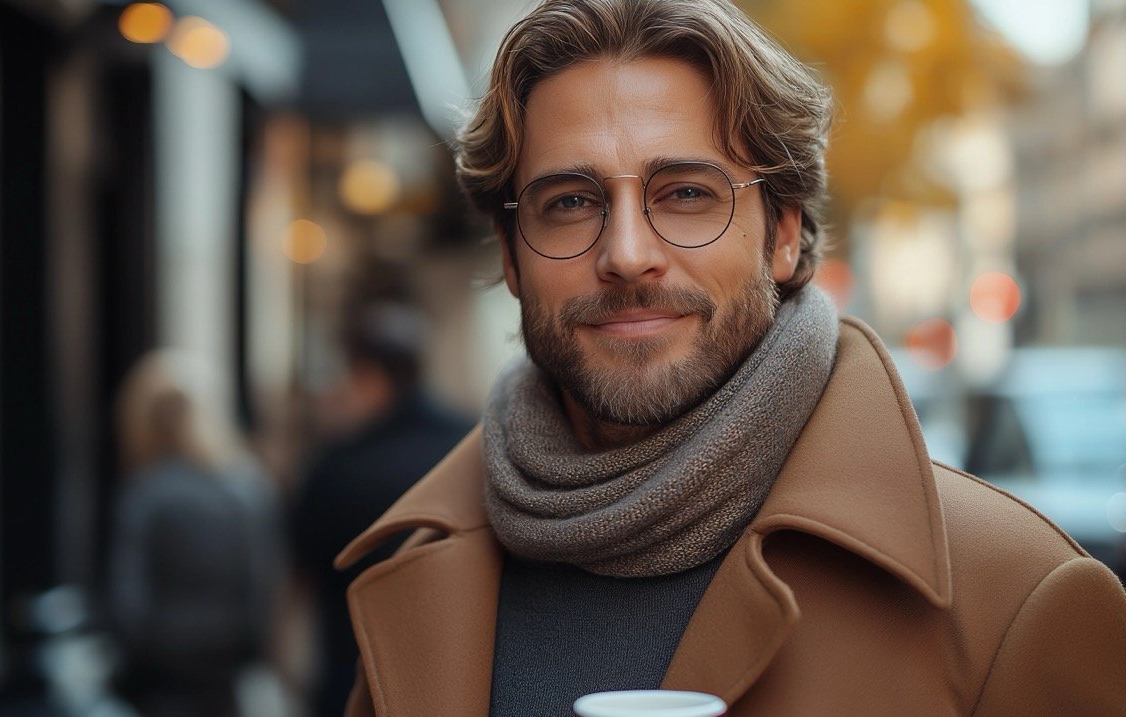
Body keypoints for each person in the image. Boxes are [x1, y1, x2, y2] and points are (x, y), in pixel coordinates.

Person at [333, 1, 1126, 715]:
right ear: (510, 254)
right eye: (570, 202)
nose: (628, 254)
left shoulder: (1012, 599)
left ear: (782, 234)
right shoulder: (417, 577)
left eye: (686, 193)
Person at [291, 302, 474, 717]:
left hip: (356, 679)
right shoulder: (471, 447)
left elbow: (298, 580)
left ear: (370, 377)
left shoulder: (336, 466)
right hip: (460, 681)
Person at [107, 350, 283, 717]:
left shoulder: (145, 494)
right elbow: (263, 590)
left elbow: (128, 604)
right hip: (228, 680)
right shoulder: (248, 489)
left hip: (162, 685)